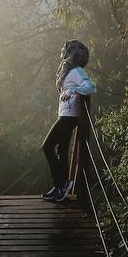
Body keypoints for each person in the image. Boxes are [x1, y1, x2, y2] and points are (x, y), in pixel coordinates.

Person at [41, 40, 97, 202]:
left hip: (69, 117)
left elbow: (91, 87)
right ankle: (60, 188)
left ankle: (62, 184)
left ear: (71, 53)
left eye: (64, 50)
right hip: (65, 115)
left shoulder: (76, 71)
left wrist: (72, 89)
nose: (62, 53)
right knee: (61, 150)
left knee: (47, 146)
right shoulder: (67, 71)